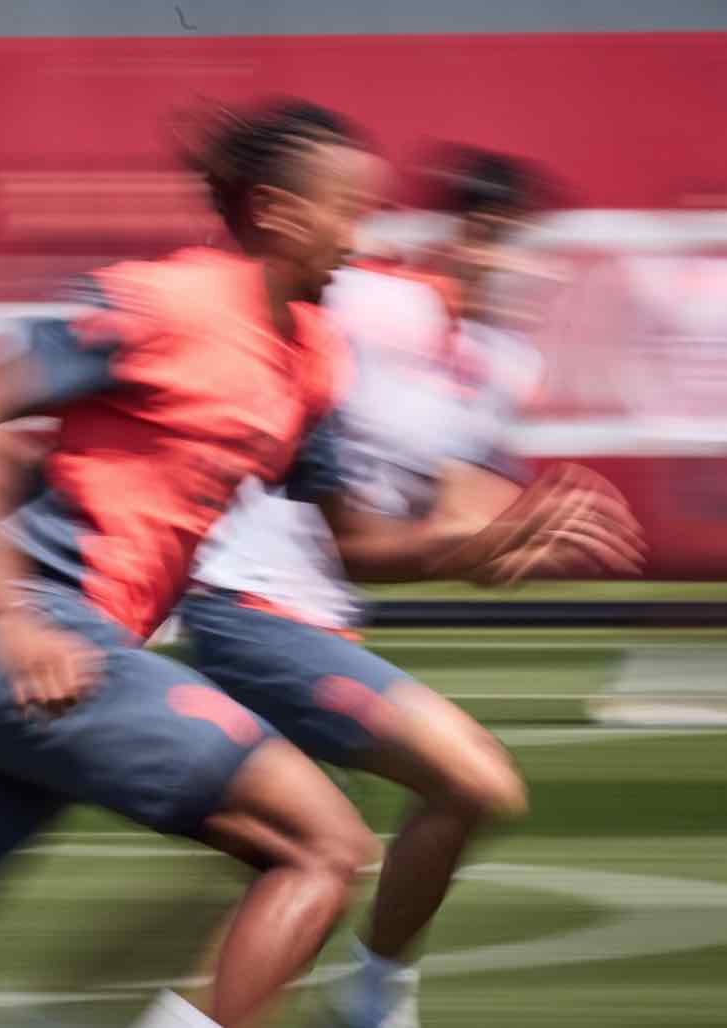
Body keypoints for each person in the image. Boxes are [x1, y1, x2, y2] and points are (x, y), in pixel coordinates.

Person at [0, 102, 635, 1028]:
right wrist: (16, 620)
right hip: (42, 651)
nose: (358, 236)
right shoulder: (160, 302)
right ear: (276, 211)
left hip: (48, 688)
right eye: (346, 210)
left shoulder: (311, 358)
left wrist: (481, 547)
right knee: (323, 846)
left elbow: (360, 546)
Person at [181, 145, 636, 1028]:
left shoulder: (500, 364)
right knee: (472, 784)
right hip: (250, 603)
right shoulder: (372, 300)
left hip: (317, 619)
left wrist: (522, 544)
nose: (533, 271)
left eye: (539, 250)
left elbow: (459, 530)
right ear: (470, 235)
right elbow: (248, 302)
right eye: (511, 243)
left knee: (286, 874)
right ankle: (376, 998)